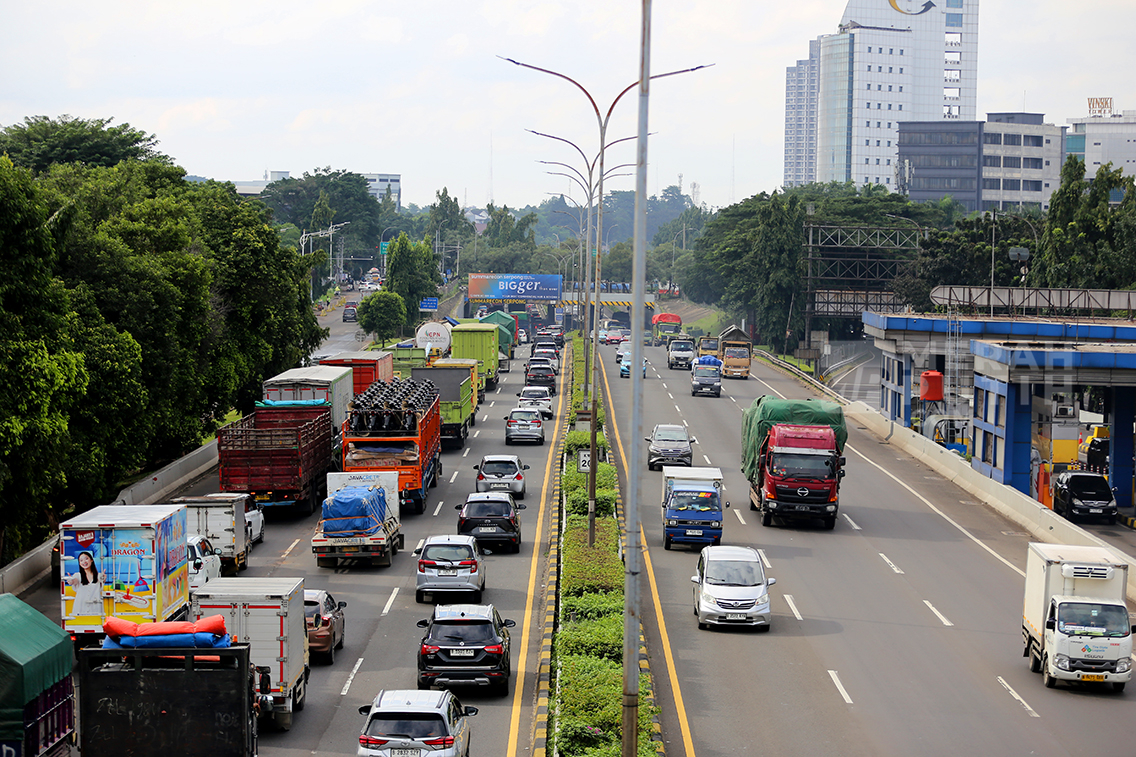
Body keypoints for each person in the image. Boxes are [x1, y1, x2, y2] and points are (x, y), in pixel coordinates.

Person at [66, 550, 103, 616]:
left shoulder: (99, 576)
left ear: (91, 560)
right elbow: (75, 580)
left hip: (95, 608)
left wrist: (104, 578)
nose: (84, 562)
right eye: (81, 560)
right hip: (80, 607)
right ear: (79, 563)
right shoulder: (77, 575)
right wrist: (71, 581)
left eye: (86, 559)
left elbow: (102, 582)